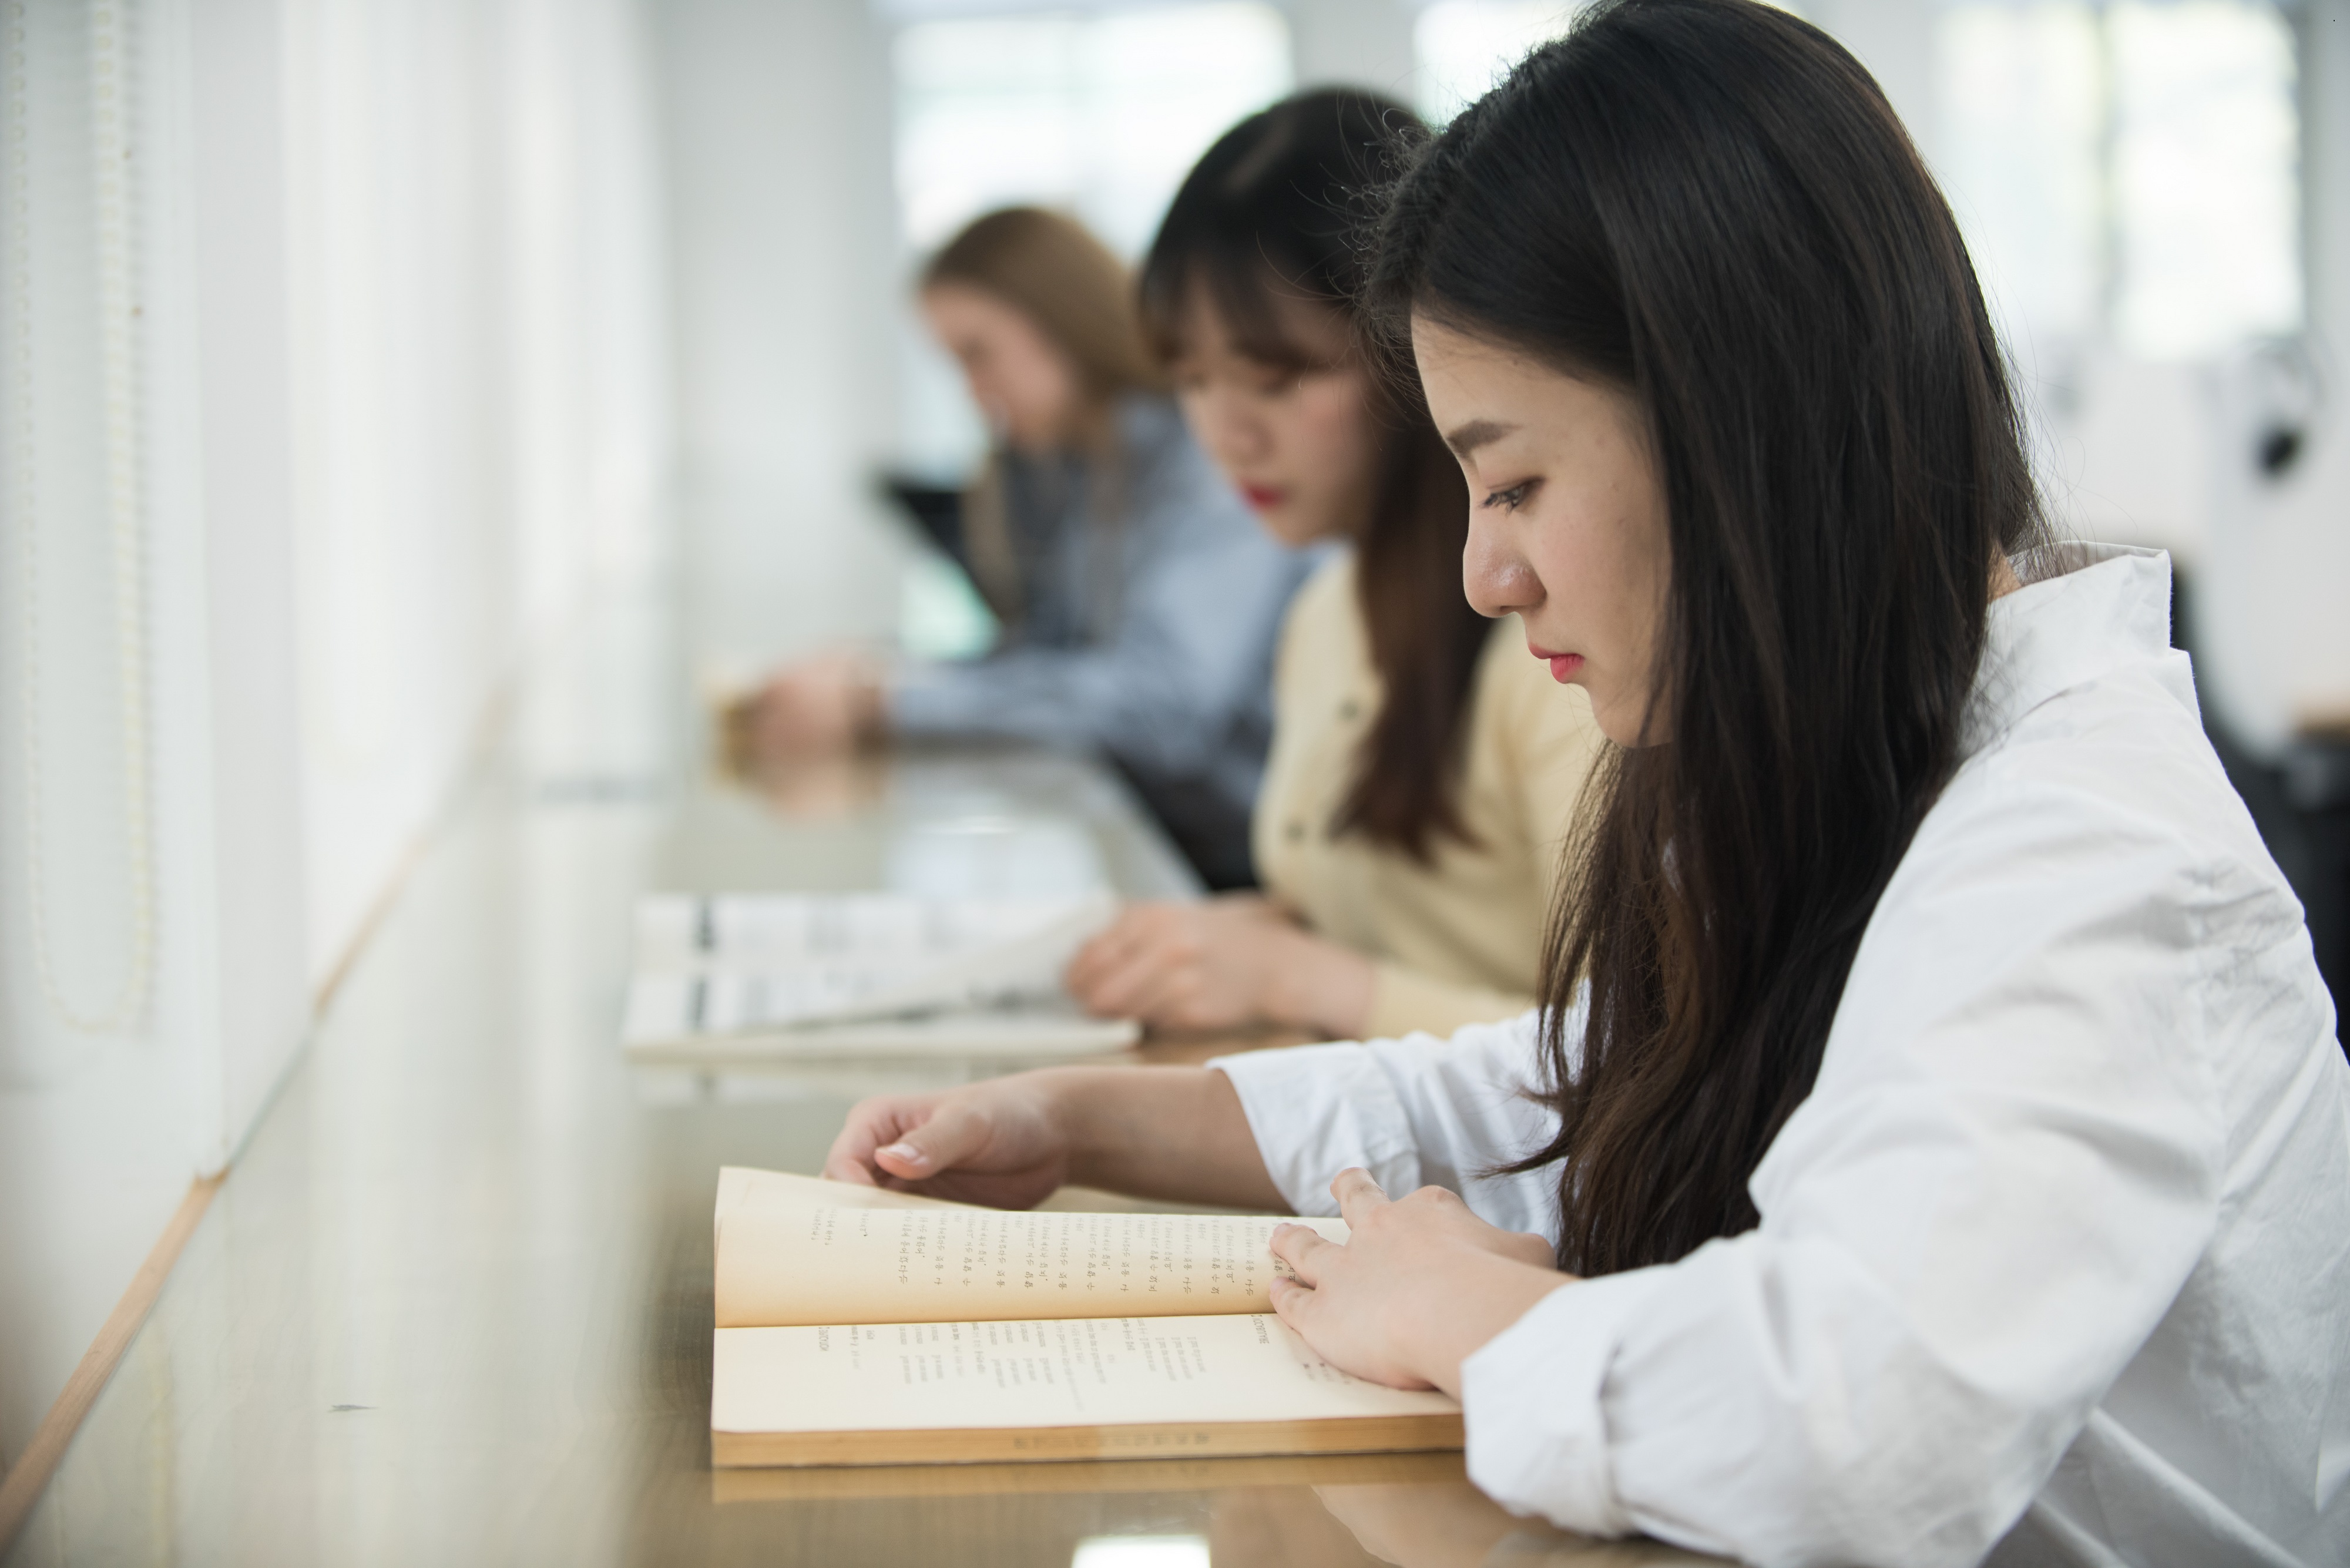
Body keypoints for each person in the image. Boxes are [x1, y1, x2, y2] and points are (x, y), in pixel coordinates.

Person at [821, 4, 2350, 1564]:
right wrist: (1074, 1118)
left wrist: (1457, 1309)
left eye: (1516, 483)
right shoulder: (1854, 762)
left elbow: (1844, 1436)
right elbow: (1565, 1089)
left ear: (1739, 421)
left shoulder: (2085, 845)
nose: (1484, 571)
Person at [1063, 90, 1606, 1040]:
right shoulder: (1326, 613)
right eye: (1192, 378)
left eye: (1275, 379)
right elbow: (1356, 927)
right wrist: (1246, 940)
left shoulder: (1561, 641)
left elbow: (1627, 1057)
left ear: (1421, 350)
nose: (1227, 433)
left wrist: (1301, 979)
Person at [737, 207, 1307, 890]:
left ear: (1059, 317)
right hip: (1152, 840)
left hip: (1242, 862)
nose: (973, 392)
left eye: (977, 354)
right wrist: (883, 674)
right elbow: (1050, 654)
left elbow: (1160, 707)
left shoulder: (1205, 463)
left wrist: (883, 703)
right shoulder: (1076, 468)